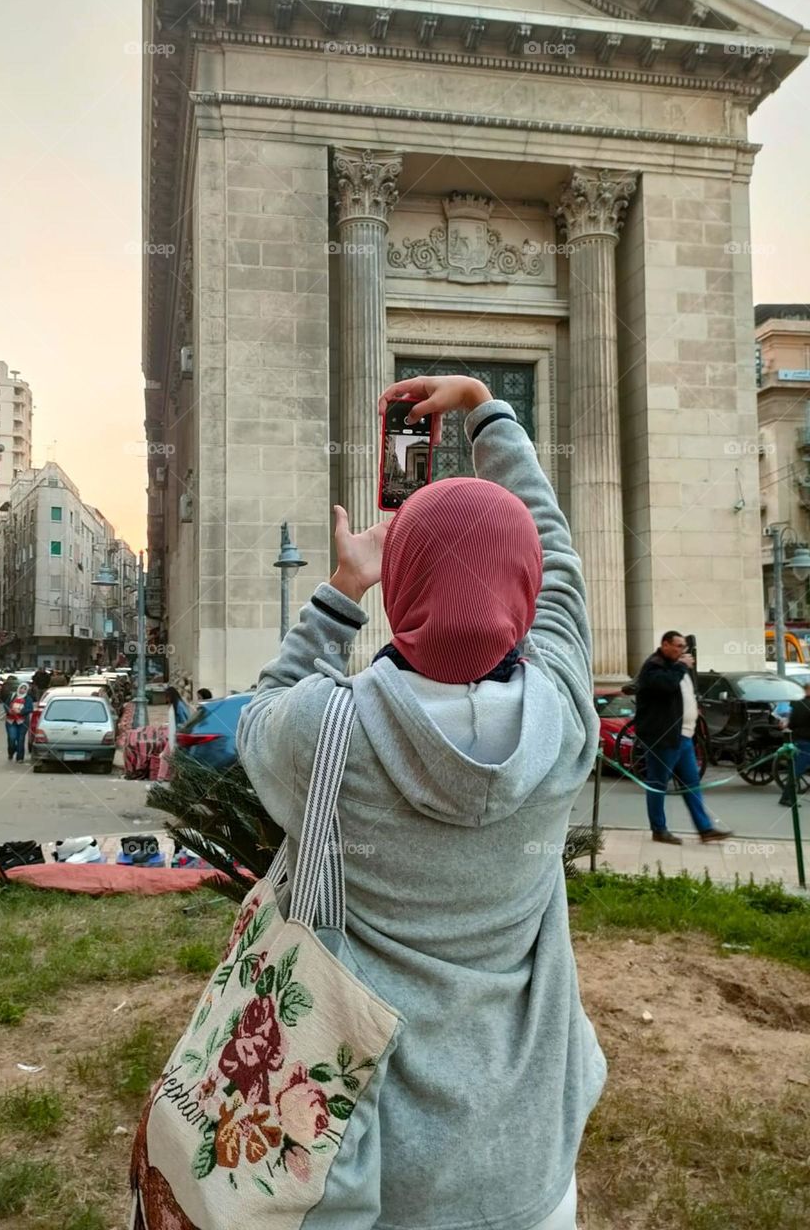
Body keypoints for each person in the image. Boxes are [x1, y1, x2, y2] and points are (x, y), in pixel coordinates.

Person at [235, 374, 605, 1230]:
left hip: (368, 1169)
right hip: (530, 1167)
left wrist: (342, 588)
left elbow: (255, 716)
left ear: (400, 591)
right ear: (524, 594)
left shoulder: (326, 731)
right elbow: (560, 563)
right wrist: (486, 410)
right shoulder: (565, 717)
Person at [634, 630, 732, 844]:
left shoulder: (678, 668)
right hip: (663, 738)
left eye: (683, 647)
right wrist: (681, 666)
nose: (682, 651)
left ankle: (705, 828)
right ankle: (659, 829)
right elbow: (667, 685)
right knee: (658, 784)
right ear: (665, 644)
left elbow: (683, 693)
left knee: (692, 783)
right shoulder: (654, 666)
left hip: (684, 737)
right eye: (678, 646)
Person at [777, 679, 810, 807]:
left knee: (796, 769)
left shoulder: (795, 703)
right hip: (807, 740)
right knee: (797, 770)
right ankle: (786, 797)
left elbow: (787, 723)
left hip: (796, 738)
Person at [3, 681, 33, 762]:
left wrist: (20, 712)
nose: (22, 690)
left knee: (21, 739)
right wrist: (8, 710)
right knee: (12, 738)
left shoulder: (28, 699)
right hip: (11, 721)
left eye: (24, 689)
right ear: (18, 688)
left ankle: (20, 758)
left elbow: (30, 709)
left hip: (22, 722)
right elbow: (5, 704)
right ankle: (11, 752)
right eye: (21, 688)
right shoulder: (12, 696)